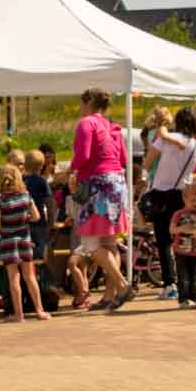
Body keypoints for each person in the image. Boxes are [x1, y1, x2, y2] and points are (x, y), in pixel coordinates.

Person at [72, 88, 134, 308]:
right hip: (117, 183)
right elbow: (123, 158)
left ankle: (123, 285)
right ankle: (110, 295)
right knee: (109, 242)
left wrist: (71, 170)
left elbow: (83, 155)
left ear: (88, 102)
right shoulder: (111, 126)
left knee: (90, 243)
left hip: (98, 185)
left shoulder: (86, 123)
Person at [141, 108, 196, 301]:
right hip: (182, 194)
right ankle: (189, 284)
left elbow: (147, 163)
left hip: (161, 193)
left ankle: (170, 284)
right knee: (184, 238)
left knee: (164, 241)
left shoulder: (166, 139)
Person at [0, 164, 47, 322]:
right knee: (30, 276)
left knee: (13, 278)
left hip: (8, 241)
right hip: (25, 239)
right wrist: (25, 218)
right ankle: (40, 310)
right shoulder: (26, 197)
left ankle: (19, 315)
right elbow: (36, 217)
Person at [169, 182, 196, 307]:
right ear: (184, 199)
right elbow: (172, 230)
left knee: (194, 276)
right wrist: (182, 228)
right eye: (192, 200)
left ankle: (195, 298)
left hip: (195, 250)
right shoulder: (178, 214)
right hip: (181, 250)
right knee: (183, 276)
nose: (194, 203)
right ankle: (184, 299)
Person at [24, 149, 53, 267]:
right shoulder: (42, 181)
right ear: (42, 165)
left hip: (25, 223)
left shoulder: (21, 181)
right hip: (40, 223)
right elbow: (50, 203)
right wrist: (51, 223)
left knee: (27, 256)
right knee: (42, 255)